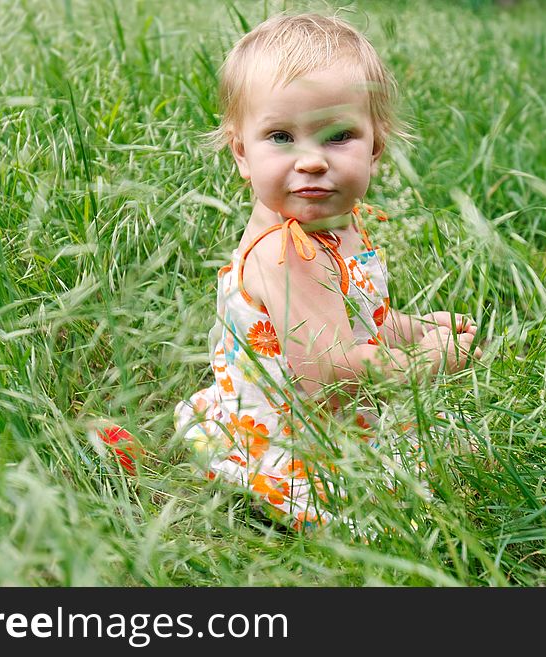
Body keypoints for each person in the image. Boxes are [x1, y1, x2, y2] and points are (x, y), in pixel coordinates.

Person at [174, 13, 481, 532]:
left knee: (466, 449)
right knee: (440, 485)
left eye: (338, 137)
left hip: (332, 412)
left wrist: (415, 326)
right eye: (280, 136)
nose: (312, 161)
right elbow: (331, 380)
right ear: (242, 153)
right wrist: (430, 359)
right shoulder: (286, 254)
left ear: (376, 149)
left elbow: (358, 315)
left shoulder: (337, 223)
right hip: (299, 437)